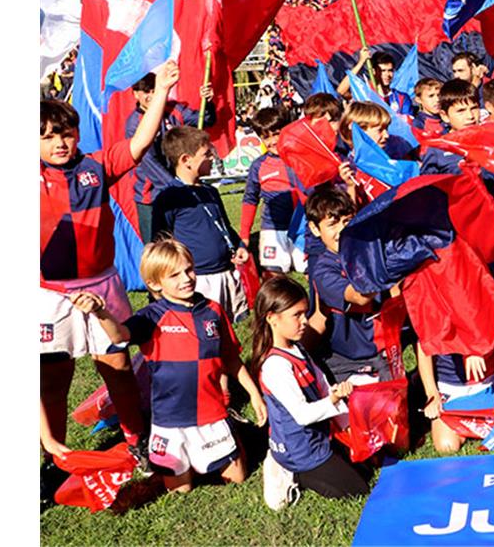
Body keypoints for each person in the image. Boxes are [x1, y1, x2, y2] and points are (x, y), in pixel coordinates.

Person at [39, 64, 179, 468]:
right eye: (47, 137)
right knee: (53, 380)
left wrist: (162, 90)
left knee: (117, 366)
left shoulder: (96, 167)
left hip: (102, 285)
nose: (59, 142)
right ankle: (55, 455)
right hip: (50, 294)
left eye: (66, 133)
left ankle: (138, 441)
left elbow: (140, 143)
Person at [68, 240, 266, 493]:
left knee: (237, 478)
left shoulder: (213, 311)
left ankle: (229, 435)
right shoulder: (151, 316)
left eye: (189, 269)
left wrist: (254, 394)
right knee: (180, 490)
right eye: (174, 275)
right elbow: (119, 336)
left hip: (211, 413)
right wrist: (101, 312)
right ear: (155, 284)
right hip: (170, 420)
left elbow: (231, 358)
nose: (186, 278)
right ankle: (187, 458)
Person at [250, 277, 367, 510]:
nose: (305, 321)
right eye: (297, 315)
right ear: (272, 318)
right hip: (300, 450)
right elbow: (302, 415)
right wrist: (334, 399)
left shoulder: (297, 347)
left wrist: (343, 415)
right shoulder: (275, 366)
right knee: (357, 489)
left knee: (366, 465)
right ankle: (288, 469)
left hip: (318, 436)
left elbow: (321, 382)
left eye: (305, 313)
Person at [152, 126, 251, 321]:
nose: (212, 158)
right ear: (186, 160)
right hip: (200, 278)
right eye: (206, 154)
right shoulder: (168, 197)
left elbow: (225, 227)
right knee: (206, 325)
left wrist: (239, 245)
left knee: (231, 326)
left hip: (226, 272)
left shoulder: (210, 192)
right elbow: (160, 242)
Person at [305, 185, 396, 383]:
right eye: (332, 224)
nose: (342, 230)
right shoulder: (323, 270)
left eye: (347, 221)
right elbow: (360, 297)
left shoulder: (369, 251)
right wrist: (390, 266)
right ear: (314, 228)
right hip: (347, 362)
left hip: (385, 351)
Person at [126, 71, 214, 243]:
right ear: (136, 94)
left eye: (154, 90)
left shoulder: (174, 110)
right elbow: (149, 163)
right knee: (159, 247)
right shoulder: (134, 124)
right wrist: (178, 187)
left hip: (181, 188)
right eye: (146, 91)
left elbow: (205, 120)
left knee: (186, 240)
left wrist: (208, 102)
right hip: (151, 196)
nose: (151, 95)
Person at [240, 106, 304, 278]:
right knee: (273, 277)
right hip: (273, 230)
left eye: (276, 134)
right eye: (265, 137)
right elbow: (250, 199)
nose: (272, 141)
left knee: (311, 273)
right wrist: (244, 235)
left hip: (303, 227)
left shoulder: (302, 158)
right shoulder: (258, 166)